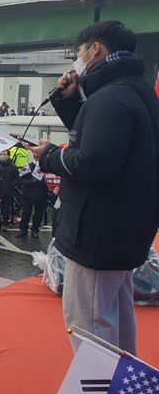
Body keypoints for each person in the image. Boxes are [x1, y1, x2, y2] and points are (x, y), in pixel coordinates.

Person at [27, 21, 159, 354]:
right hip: (126, 226)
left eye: (79, 54)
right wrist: (71, 101)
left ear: (94, 49)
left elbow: (94, 162)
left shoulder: (110, 98)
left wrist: (51, 157)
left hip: (98, 233)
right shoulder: (136, 90)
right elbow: (104, 142)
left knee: (90, 326)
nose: (77, 62)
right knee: (117, 317)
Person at [14, 159, 49, 240]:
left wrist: (39, 182)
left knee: (39, 213)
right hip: (28, 194)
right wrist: (31, 182)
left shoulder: (45, 167)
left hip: (41, 194)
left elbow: (48, 180)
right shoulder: (28, 166)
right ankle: (23, 229)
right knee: (26, 213)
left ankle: (35, 230)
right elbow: (22, 179)